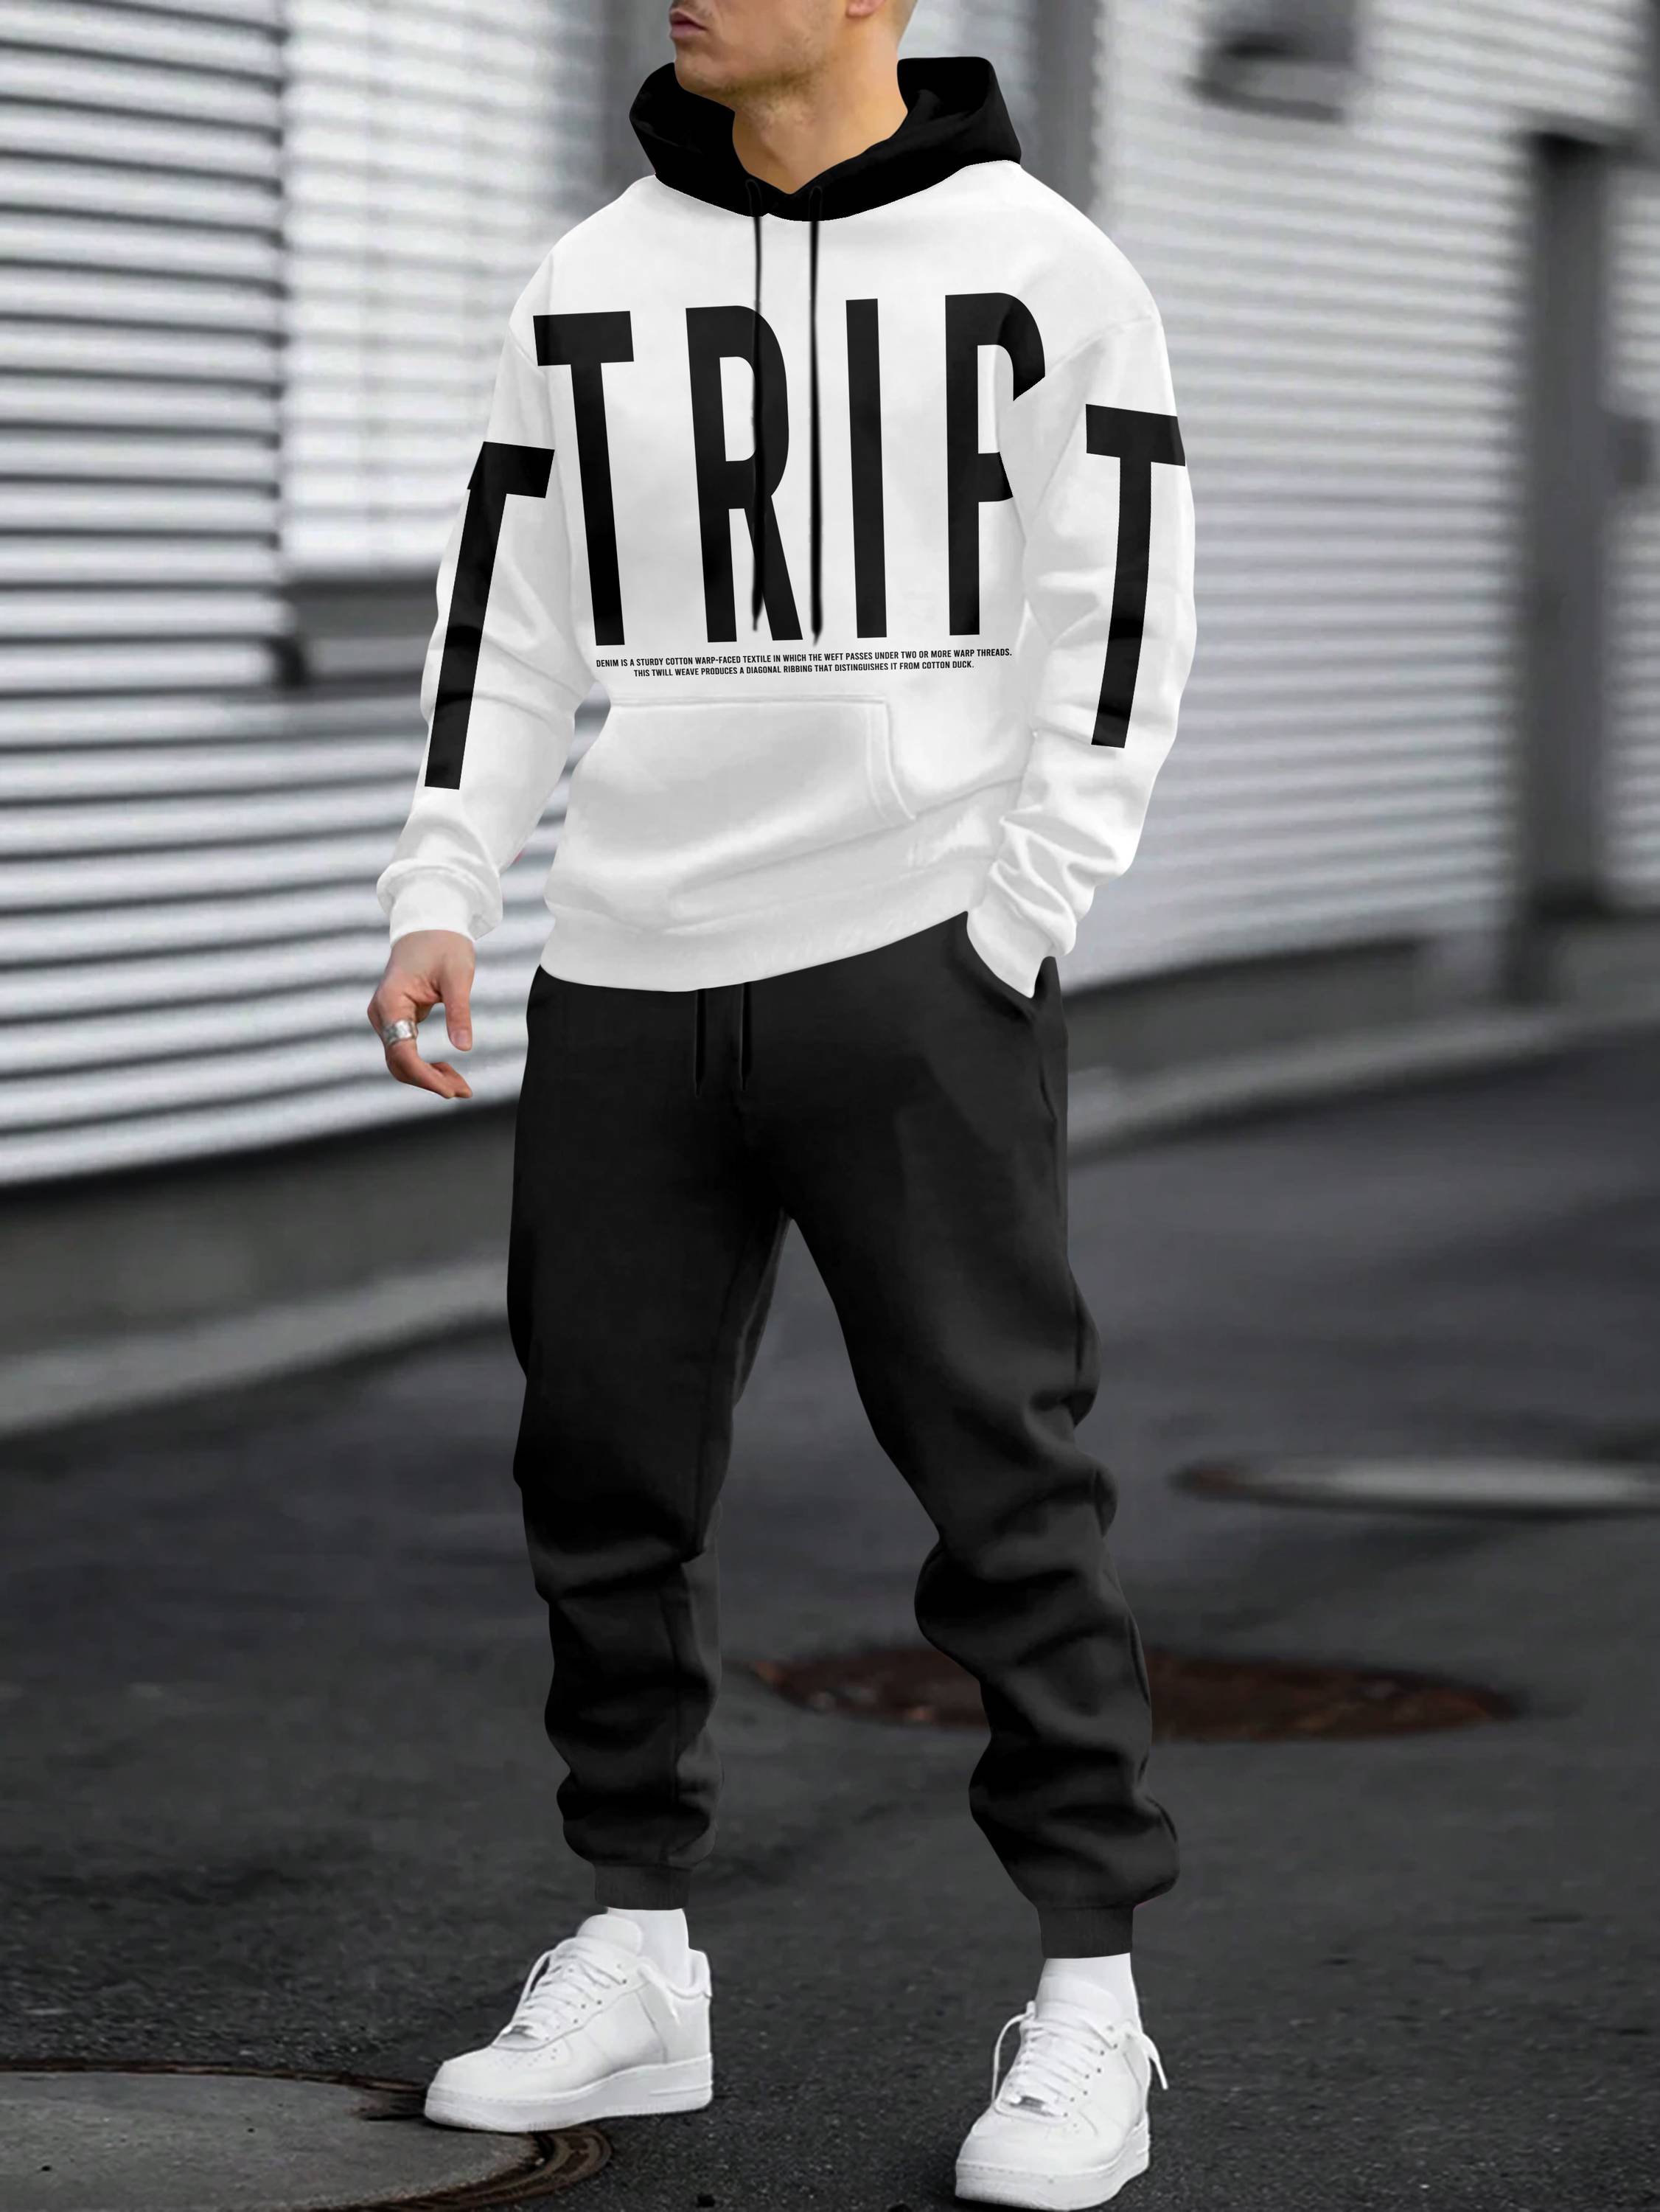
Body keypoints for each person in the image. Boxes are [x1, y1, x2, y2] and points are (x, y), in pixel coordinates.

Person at [369, 1, 1196, 2202]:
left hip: (916, 954)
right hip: (626, 971)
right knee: (603, 1475)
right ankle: (637, 1957)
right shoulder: (592, 278)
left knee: (1000, 1479)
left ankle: (1091, 2003)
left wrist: (1016, 916)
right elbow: (507, 616)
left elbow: (1117, 615)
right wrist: (446, 885)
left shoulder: (1046, 271)